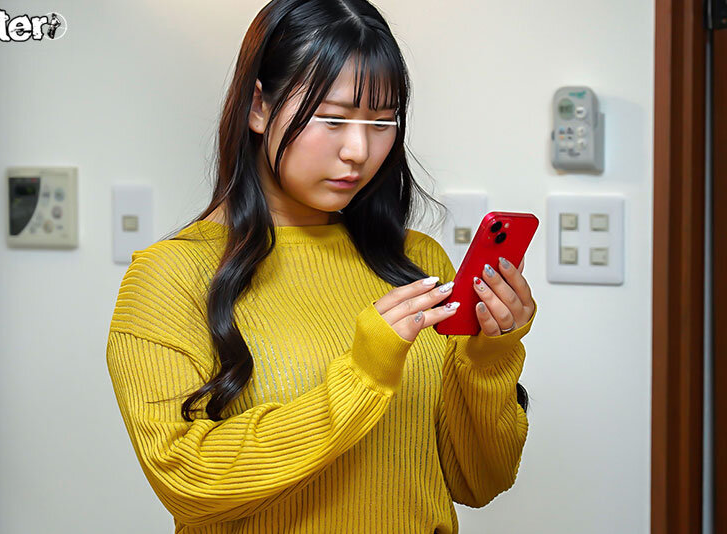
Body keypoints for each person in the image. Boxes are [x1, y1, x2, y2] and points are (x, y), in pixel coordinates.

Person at [105, 0, 537, 532]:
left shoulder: (418, 262)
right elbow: (186, 483)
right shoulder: (170, 276)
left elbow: (479, 482)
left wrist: (491, 354)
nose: (358, 150)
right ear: (258, 107)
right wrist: (363, 374)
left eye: (382, 122)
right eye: (332, 119)